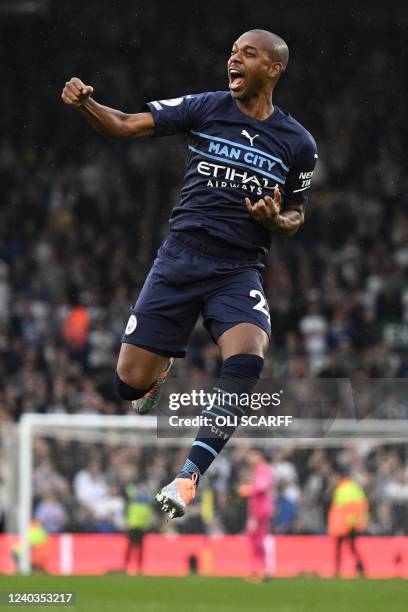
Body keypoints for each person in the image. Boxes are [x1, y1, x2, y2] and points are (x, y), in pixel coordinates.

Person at [61, 29, 317, 518]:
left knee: (248, 359)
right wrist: (86, 106)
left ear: (274, 68)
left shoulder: (298, 143)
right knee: (129, 386)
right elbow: (126, 125)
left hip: (238, 268)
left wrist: (272, 220)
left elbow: (297, 215)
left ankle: (188, 476)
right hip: (181, 258)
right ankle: (158, 376)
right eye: (232, 52)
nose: (233, 59)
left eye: (248, 53)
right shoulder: (205, 107)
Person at [238, 450, 274, 579]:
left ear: (260, 456)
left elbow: (262, 487)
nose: (250, 459)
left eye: (252, 456)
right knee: (254, 540)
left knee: (257, 540)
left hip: (260, 511)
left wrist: (247, 489)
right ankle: (257, 570)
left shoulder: (264, 469)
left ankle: (263, 570)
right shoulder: (259, 470)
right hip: (256, 511)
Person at [328, 470, 368, 576]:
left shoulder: (342, 490)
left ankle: (338, 570)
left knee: (340, 548)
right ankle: (360, 568)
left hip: (344, 525)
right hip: (350, 524)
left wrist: (349, 523)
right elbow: (360, 506)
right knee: (352, 547)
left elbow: (344, 509)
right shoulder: (355, 488)